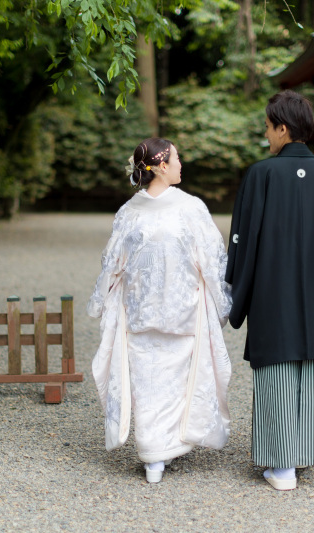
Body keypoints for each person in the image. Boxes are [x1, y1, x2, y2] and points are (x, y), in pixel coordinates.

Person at [225, 90, 314, 491]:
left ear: (283, 129)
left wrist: (236, 294)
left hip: (272, 293)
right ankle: (303, 453)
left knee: (275, 368)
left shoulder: (261, 174)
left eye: (269, 127)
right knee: (310, 366)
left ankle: (282, 465)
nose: (267, 134)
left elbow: (244, 239)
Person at [88, 138, 233, 483]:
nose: (182, 165)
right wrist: (223, 300)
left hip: (139, 311)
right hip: (183, 309)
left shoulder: (130, 211)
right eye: (178, 159)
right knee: (179, 380)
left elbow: (112, 262)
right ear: (162, 166)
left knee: (147, 381)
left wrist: (100, 300)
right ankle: (162, 450)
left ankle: (152, 454)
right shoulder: (191, 208)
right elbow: (213, 259)